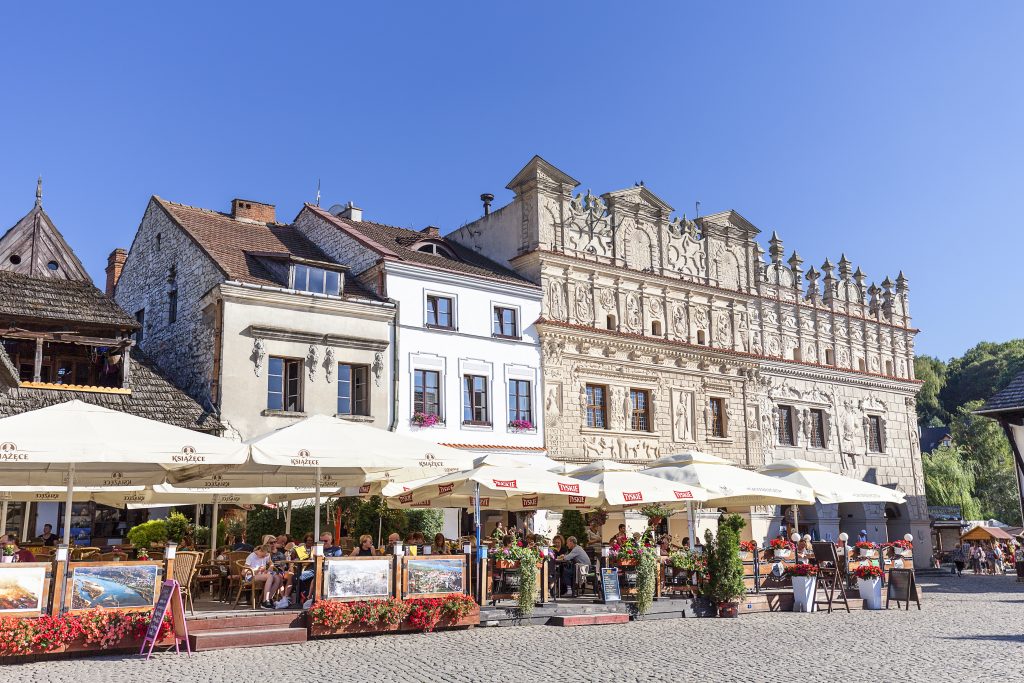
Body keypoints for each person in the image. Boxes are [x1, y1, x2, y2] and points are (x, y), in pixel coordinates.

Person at [244, 544, 283, 609]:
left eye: (265, 556)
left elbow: (270, 562)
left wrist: (271, 566)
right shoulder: (251, 557)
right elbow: (244, 572)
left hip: (262, 575)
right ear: (260, 551)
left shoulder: (266, 555)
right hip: (251, 576)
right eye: (263, 556)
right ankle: (265, 601)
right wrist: (256, 570)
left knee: (277, 578)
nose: (263, 557)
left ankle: (269, 599)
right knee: (270, 576)